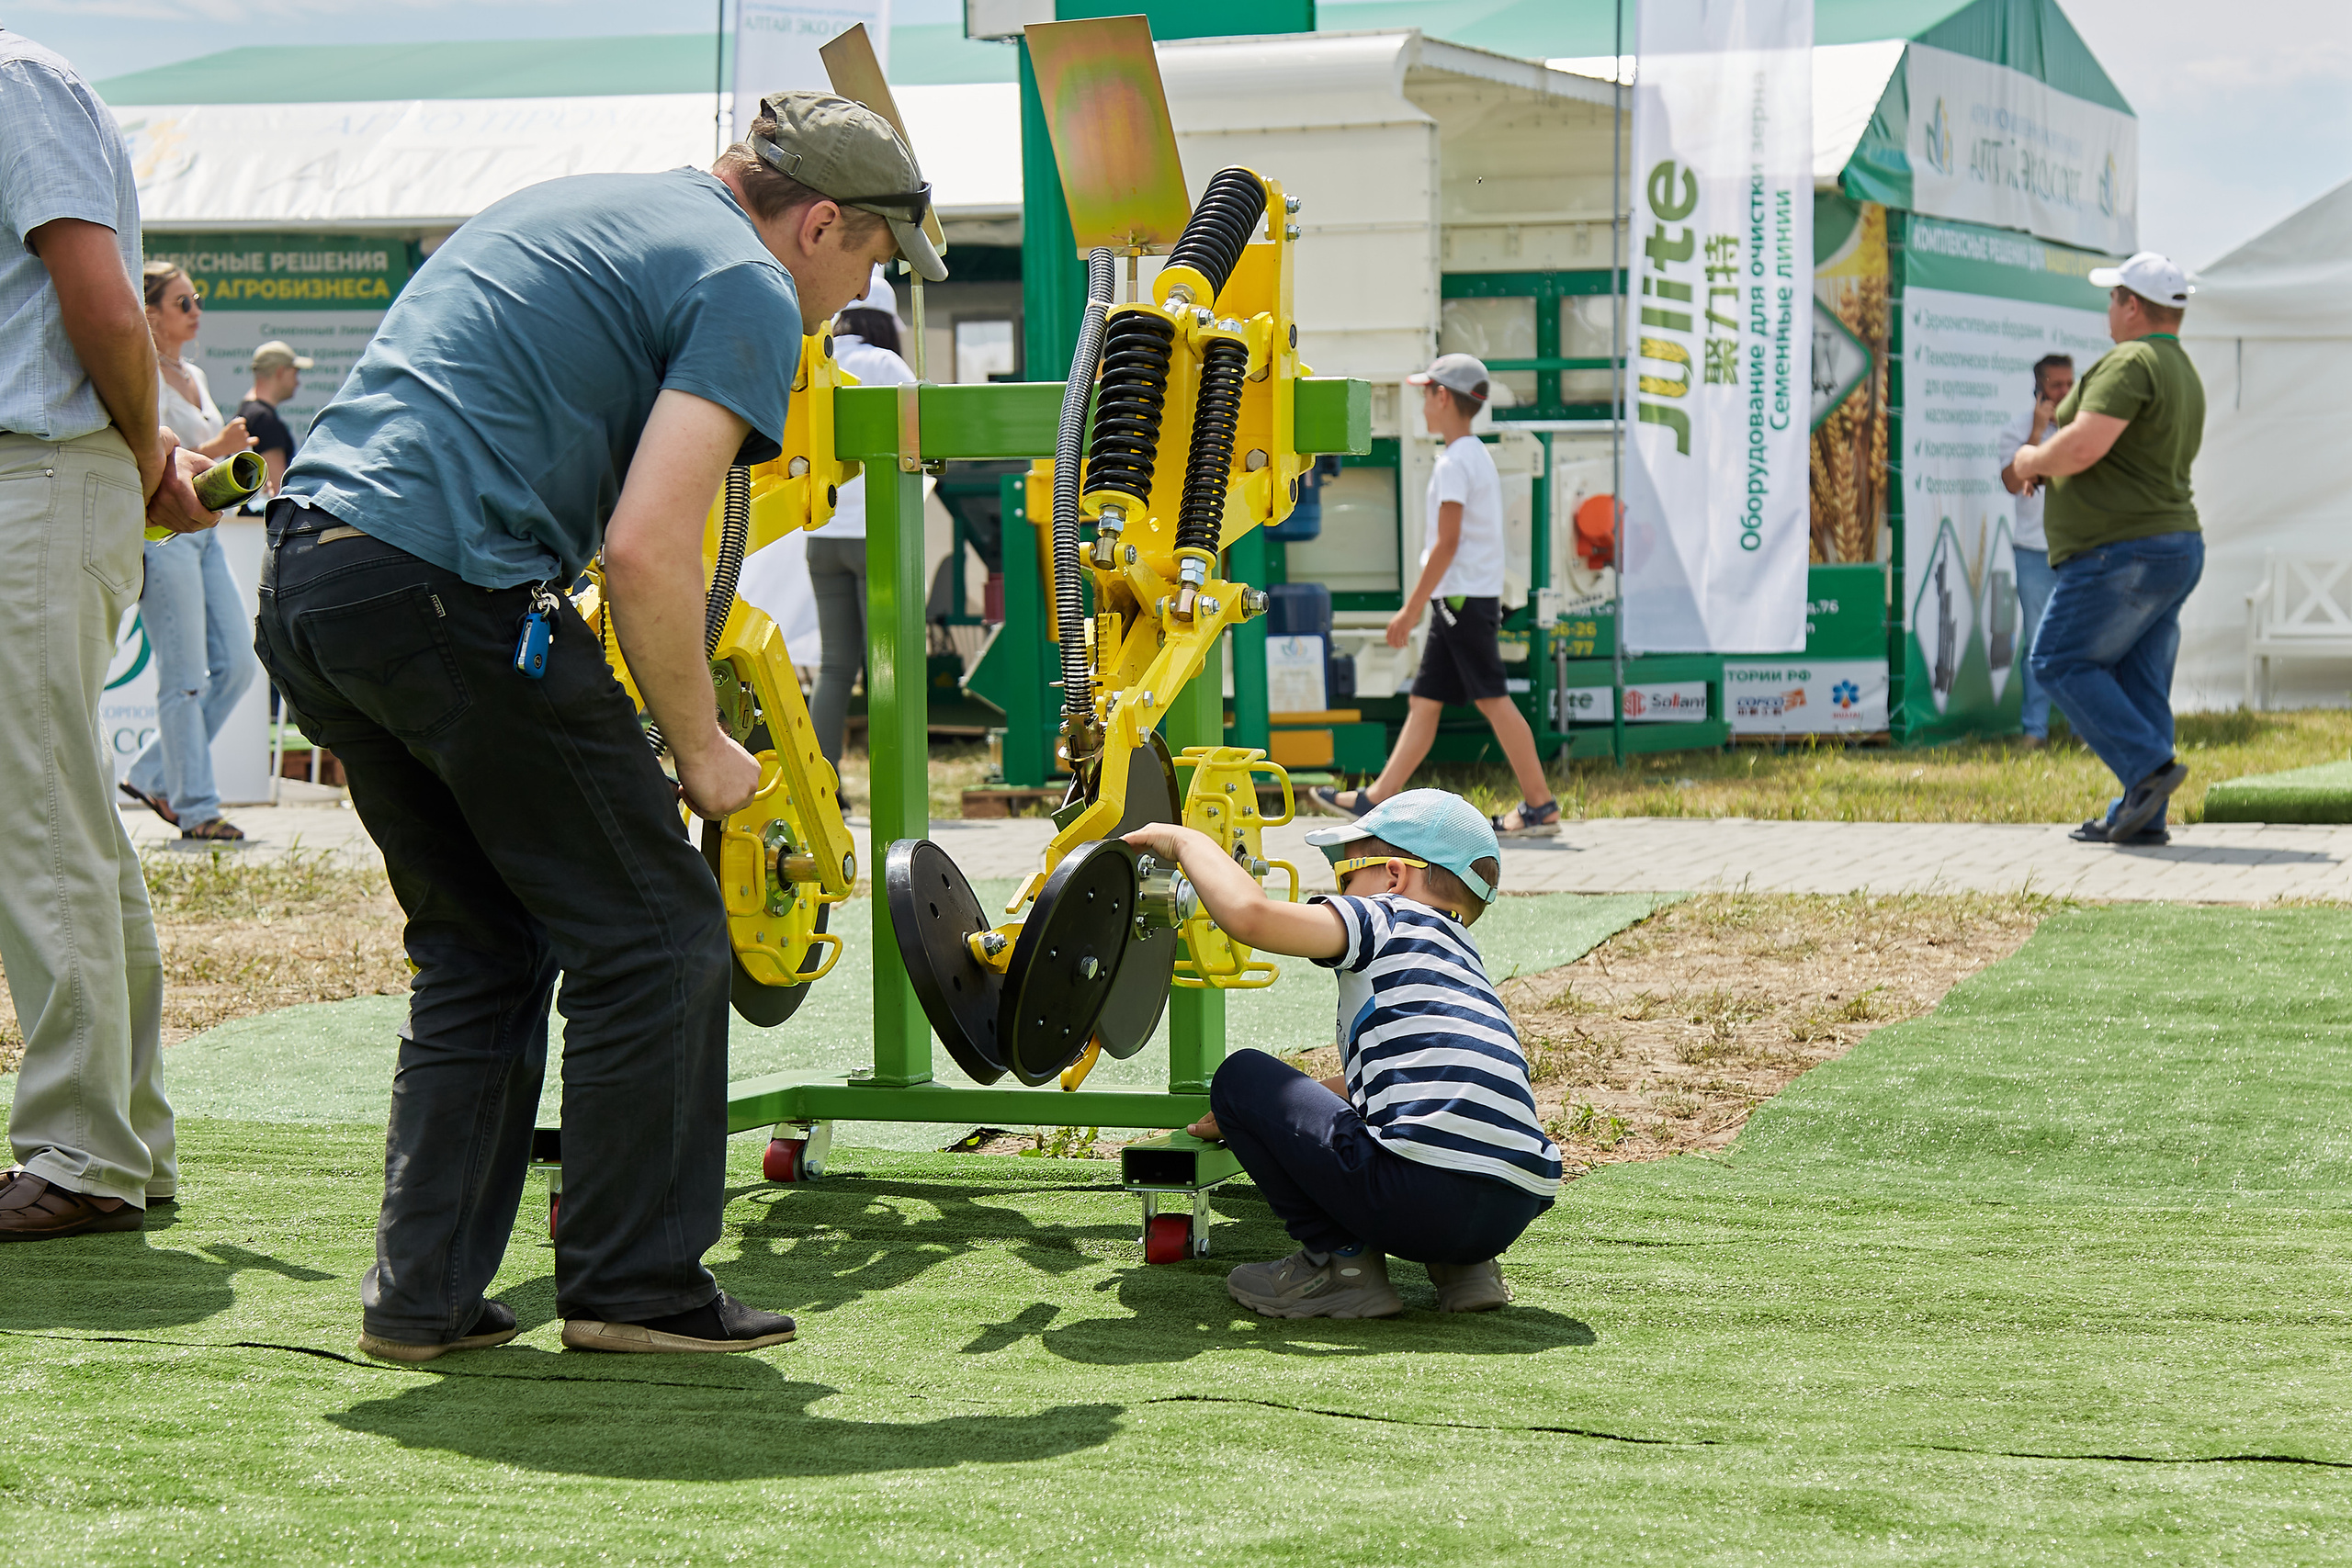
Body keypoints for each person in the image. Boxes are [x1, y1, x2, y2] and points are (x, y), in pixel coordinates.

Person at [255, 91, 940, 1360]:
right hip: (447, 587)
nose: (852, 299)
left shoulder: (587, 204)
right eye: (871, 264)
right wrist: (702, 750)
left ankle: (424, 1298)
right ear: (824, 223)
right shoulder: (742, 279)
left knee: (484, 941)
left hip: (312, 582)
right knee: (661, 928)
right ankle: (635, 1285)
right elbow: (643, 548)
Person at [0, 27, 218, 1242]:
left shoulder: (13, 83)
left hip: (40, 470)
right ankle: (119, 1135)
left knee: (36, 811)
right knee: (58, 805)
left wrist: (146, 451)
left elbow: (97, 295)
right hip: (43, 472)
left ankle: (86, 1146)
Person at [1125, 789, 1561, 1318]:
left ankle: (1340, 1267)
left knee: (1240, 1075)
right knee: (1429, 1141)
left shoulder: (1384, 917)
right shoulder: (1463, 961)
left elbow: (1252, 917)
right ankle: (1465, 1271)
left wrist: (1185, 841)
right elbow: (1385, 1083)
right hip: (1510, 1206)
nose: (1341, 893)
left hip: (1418, 1191)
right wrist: (1270, 1114)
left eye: (1346, 878)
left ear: (1395, 877)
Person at [1307, 355, 1559, 838]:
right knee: (1425, 703)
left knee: (1493, 701)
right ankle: (1376, 797)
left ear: (1443, 397)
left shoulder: (1454, 463)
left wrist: (1410, 609)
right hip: (1463, 601)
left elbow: (1447, 543)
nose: (1421, 402)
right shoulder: (1472, 456)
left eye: (1426, 392)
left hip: (1460, 601)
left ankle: (1540, 805)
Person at [2011, 254, 2204, 846]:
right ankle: (2144, 814)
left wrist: (2031, 460)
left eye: (2113, 298)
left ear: (2131, 304)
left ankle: (2148, 768)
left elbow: (2082, 448)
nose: (2109, 310)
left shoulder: (2131, 360)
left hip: (2121, 551)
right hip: (2172, 545)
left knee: (2058, 661)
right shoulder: (2181, 369)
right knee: (2140, 678)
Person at [117, 261, 260, 843]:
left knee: (237, 666)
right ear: (150, 312)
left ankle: (152, 775)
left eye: (196, 299)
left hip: (204, 535)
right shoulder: (134, 370)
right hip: (163, 535)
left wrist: (226, 460)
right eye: (183, 302)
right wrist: (217, 446)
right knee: (184, 679)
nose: (196, 309)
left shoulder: (194, 373)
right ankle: (197, 809)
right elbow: (150, 458)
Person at [808, 265, 915, 765]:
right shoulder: (885, 366)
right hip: (878, 533)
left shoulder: (816, 364)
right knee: (888, 665)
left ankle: (822, 780)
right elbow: (928, 435)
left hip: (823, 536)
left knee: (835, 666)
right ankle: (893, 774)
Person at [1997, 353, 2074, 748]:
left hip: (2078, 547)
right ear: (2039, 386)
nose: (2064, 392)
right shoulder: (2016, 430)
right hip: (2034, 551)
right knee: (2038, 641)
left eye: (2069, 383)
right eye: (2056, 384)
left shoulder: (2082, 429)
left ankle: (2084, 729)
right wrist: (2038, 432)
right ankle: (2035, 730)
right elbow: (2013, 481)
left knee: (2082, 639)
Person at [237, 338, 310, 496]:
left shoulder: (247, 412)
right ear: (280, 371)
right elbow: (277, 488)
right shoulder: (264, 419)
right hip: (260, 519)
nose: (297, 382)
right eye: (295, 373)